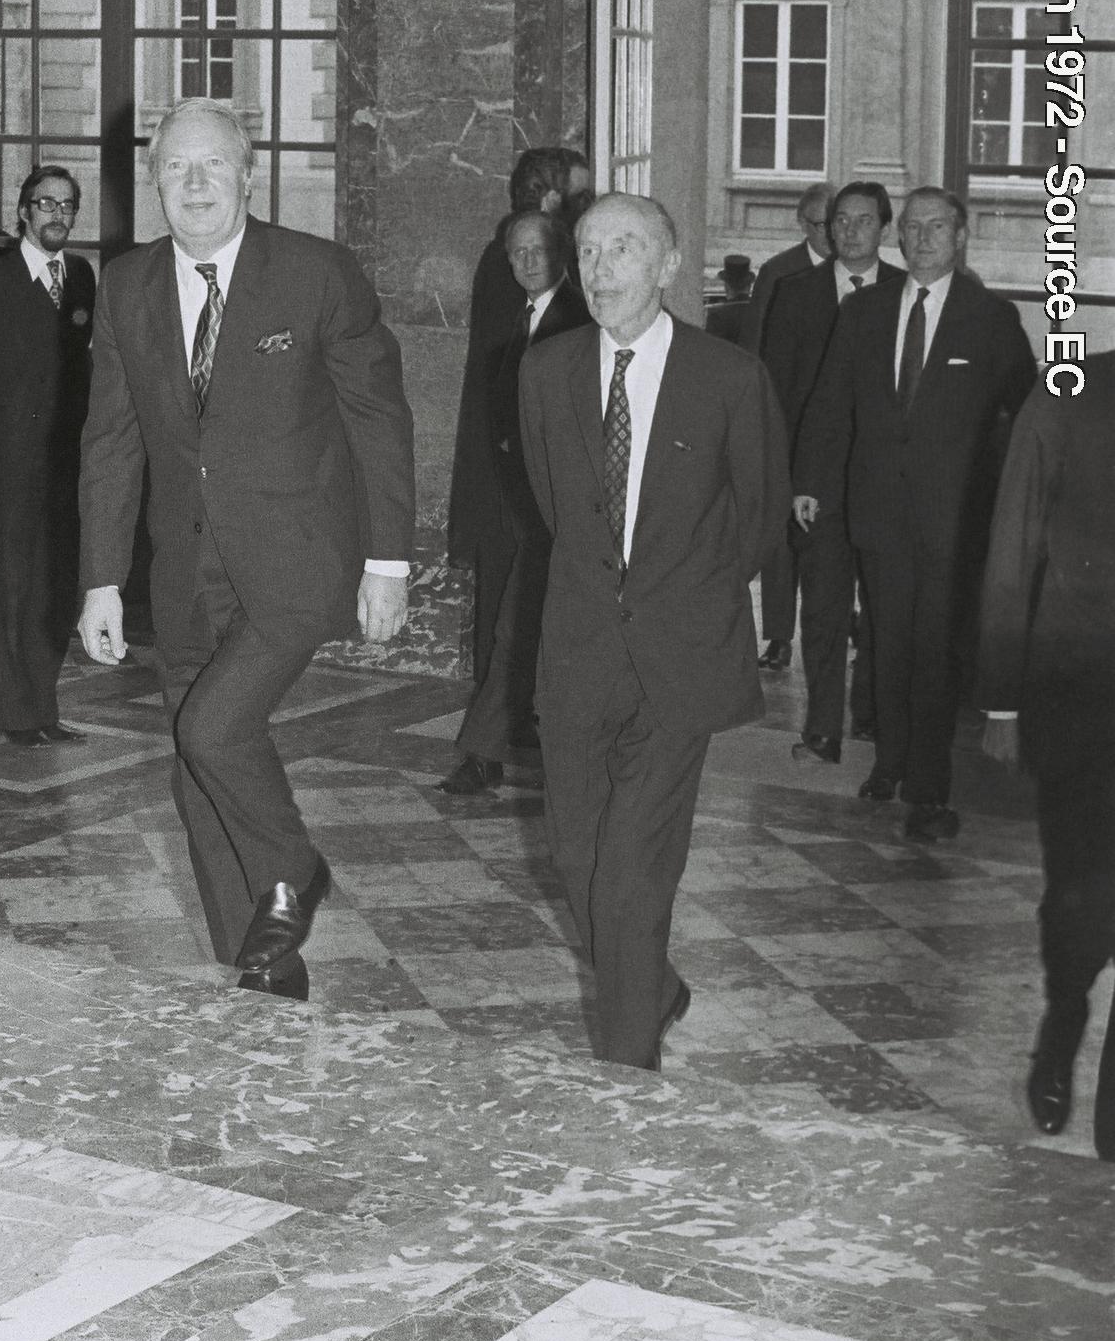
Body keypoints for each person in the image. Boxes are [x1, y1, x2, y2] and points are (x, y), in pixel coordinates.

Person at [77, 99, 414, 1002]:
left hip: (296, 561)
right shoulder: (125, 287)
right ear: (152, 183)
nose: (194, 183)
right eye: (175, 168)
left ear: (248, 175)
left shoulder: (314, 274)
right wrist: (102, 579)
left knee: (214, 728)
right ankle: (261, 965)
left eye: (213, 165)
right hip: (180, 568)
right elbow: (110, 440)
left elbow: (378, 420)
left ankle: (296, 869)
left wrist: (389, 561)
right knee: (197, 770)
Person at [519, 193, 788, 1070]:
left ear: (668, 264)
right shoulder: (544, 370)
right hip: (577, 655)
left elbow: (757, 518)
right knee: (576, 857)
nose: (599, 270)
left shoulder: (728, 377)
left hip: (679, 660)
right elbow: (558, 508)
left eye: (622, 249)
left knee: (633, 870)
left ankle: (625, 1070)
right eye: (587, 251)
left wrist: (689, 598)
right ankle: (654, 985)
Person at [793, 186, 1035, 842]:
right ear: (898, 235)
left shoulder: (990, 318)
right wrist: (809, 482)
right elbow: (827, 400)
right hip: (876, 511)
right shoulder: (864, 312)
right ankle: (888, 764)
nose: (922, 237)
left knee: (933, 648)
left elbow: (1024, 417)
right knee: (885, 641)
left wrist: (1012, 505)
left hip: (955, 520)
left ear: (960, 238)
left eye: (936, 227)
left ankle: (928, 787)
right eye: (913, 226)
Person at [978, 354, 1115, 1160]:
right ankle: (1063, 1014)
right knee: (1078, 890)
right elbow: (1012, 538)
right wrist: (1001, 695)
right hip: (1082, 692)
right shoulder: (1072, 391)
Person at [440, 210, 589, 793]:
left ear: (561, 256)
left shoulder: (581, 319)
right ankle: (490, 747)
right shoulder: (508, 318)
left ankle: (510, 747)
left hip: (558, 509)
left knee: (531, 630)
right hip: (506, 504)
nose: (529, 263)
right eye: (518, 253)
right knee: (499, 627)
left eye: (539, 251)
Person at [0, 165, 95, 747]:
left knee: (58, 586)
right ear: (23, 213)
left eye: (66, 206)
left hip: (68, 463)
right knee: (13, 585)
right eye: (45, 204)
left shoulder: (81, 277)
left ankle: (45, 707)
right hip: (13, 464)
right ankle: (15, 715)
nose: (56, 214)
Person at [764, 183, 903, 762]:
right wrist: (793, 480)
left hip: (884, 483)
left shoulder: (905, 295)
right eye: (839, 221)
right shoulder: (795, 294)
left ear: (884, 230)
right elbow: (775, 393)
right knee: (820, 608)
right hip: (815, 481)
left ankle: (869, 714)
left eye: (862, 222)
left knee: (880, 605)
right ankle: (822, 727)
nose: (848, 232)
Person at [741, 181, 837, 669]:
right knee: (781, 534)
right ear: (803, 224)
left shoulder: (860, 274)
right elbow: (755, 351)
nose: (834, 234)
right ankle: (778, 635)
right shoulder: (779, 273)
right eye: (823, 225)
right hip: (786, 420)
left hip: (839, 426)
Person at [703, 254, 754, 345]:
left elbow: (711, 349)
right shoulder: (761, 311)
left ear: (727, 287)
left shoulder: (717, 315)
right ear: (749, 286)